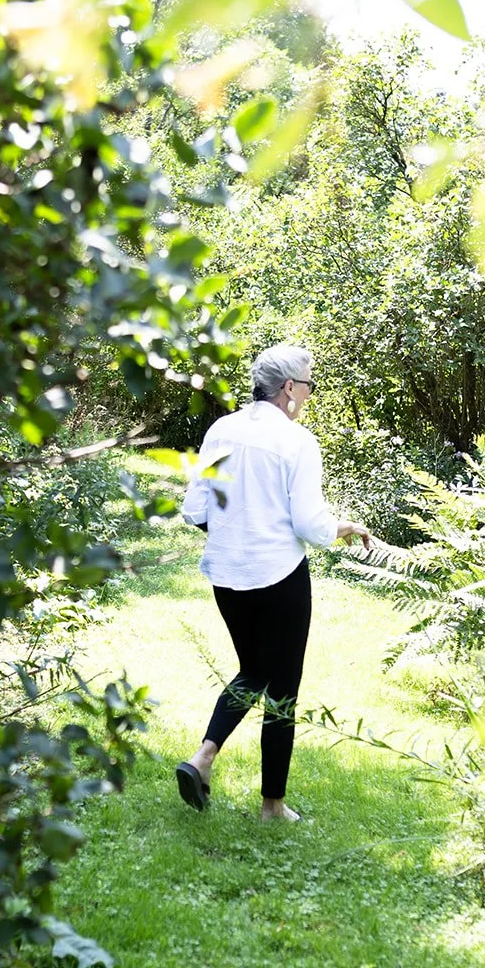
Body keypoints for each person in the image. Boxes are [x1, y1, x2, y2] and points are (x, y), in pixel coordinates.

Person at [176, 343, 373, 823]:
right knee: (282, 687)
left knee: (254, 670)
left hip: (227, 575)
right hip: (281, 577)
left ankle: (203, 758)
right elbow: (309, 524)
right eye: (308, 385)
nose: (308, 394)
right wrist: (346, 527)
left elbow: (194, 509)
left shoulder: (221, 430)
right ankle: (272, 807)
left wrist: (234, 533)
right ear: (288, 388)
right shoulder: (297, 441)